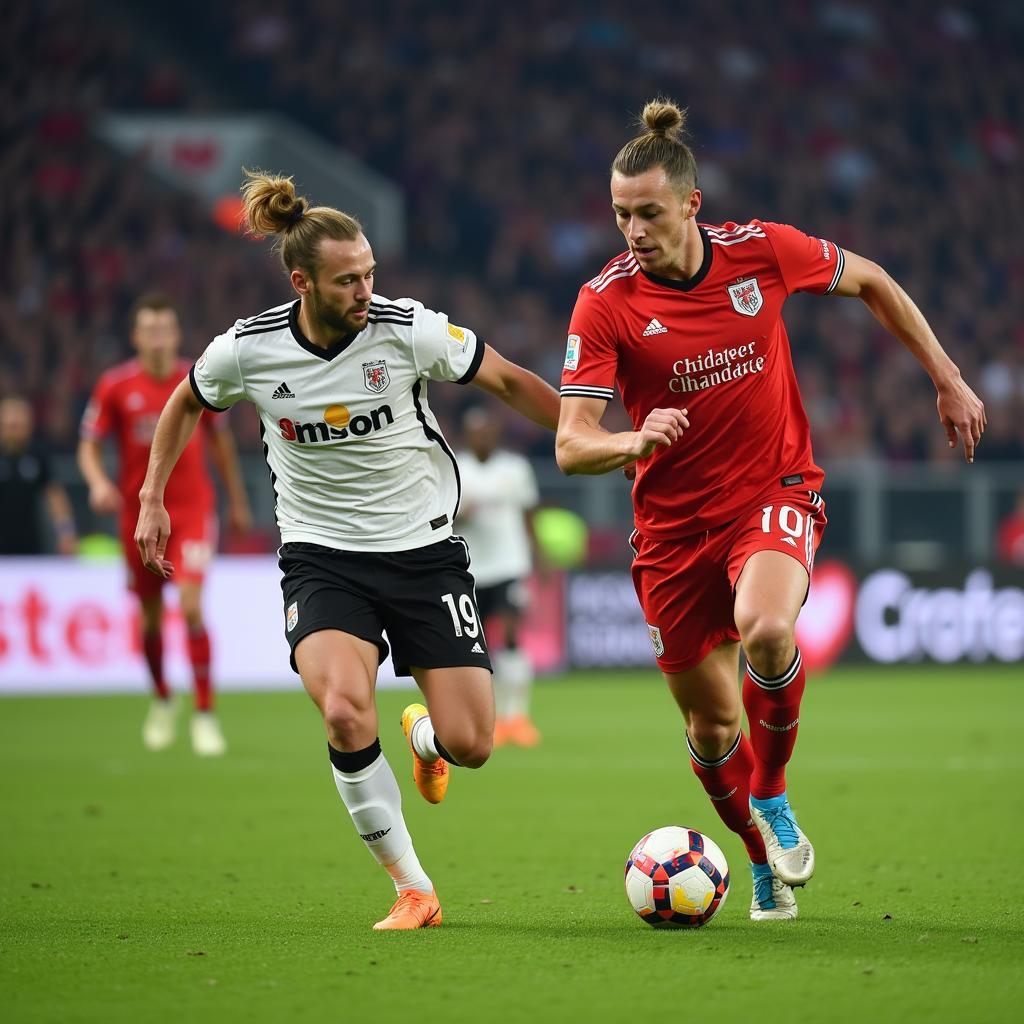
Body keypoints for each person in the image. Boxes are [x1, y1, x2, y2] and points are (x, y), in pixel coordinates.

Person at [555, 99, 986, 922]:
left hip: (772, 492)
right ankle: (759, 861)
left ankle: (775, 793)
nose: (633, 230)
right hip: (671, 534)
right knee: (715, 730)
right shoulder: (603, 303)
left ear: (690, 204)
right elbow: (573, 444)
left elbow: (873, 281)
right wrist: (632, 439)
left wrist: (946, 374)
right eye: (620, 215)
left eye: (648, 212)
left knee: (769, 629)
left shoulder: (762, 252)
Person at [134, 171, 561, 930]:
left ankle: (424, 735)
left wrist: (586, 434)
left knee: (473, 744)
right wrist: (151, 496)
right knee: (341, 711)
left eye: (369, 272)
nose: (365, 288)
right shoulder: (248, 349)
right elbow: (185, 402)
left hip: (424, 553)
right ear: (303, 282)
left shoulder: (407, 330)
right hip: (322, 558)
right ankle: (413, 888)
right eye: (347, 279)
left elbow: (504, 378)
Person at [78, 294, 253, 757]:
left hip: (193, 511)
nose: (157, 339)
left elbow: (222, 446)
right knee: (151, 619)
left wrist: (236, 502)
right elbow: (88, 446)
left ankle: (204, 713)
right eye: (149, 330)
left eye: (165, 330)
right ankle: (160, 699)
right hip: (139, 518)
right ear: (136, 337)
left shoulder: (195, 379)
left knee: (192, 607)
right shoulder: (115, 386)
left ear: (176, 335)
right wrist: (97, 482)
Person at [456, 405, 543, 747]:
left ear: (495, 433)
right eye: (476, 432)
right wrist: (462, 513)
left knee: (510, 637)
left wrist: (541, 558)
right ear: (467, 436)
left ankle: (517, 717)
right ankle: (490, 719)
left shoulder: (515, 468)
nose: (483, 437)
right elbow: (444, 517)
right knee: (480, 648)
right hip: (471, 570)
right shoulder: (457, 469)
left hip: (510, 565)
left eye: (487, 430)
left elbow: (528, 513)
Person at [0, 396, 77, 556]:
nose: (13, 430)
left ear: (29, 426)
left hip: (30, 544)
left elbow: (54, 496)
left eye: (18, 425)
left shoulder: (38, 456)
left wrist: (66, 532)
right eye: (9, 425)